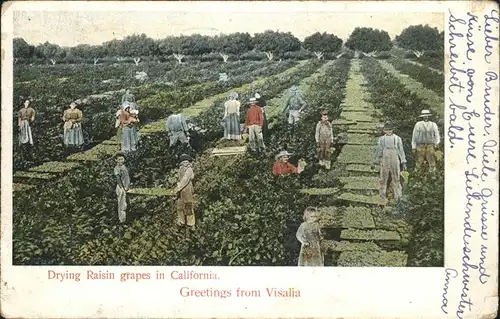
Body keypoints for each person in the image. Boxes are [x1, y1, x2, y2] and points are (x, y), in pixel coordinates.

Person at [371, 123, 407, 202]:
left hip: (394, 156)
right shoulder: (382, 139)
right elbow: (379, 150)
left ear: (392, 130)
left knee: (396, 177)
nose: (389, 131)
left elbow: (401, 150)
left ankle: (398, 196)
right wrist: (375, 160)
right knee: (383, 177)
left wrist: (403, 161)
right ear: (384, 131)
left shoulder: (397, 138)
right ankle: (382, 195)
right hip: (385, 156)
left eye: (390, 130)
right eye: (387, 130)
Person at [175, 154, 195, 227]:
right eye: (183, 161)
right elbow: (179, 179)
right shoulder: (180, 169)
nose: (185, 163)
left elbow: (185, 179)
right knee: (179, 206)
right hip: (181, 191)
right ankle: (181, 221)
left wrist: (178, 187)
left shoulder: (189, 169)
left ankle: (191, 223)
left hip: (187, 190)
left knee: (188, 206)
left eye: (186, 162)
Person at [114, 154, 130, 223]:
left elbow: (126, 178)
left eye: (122, 159)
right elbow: (118, 179)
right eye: (119, 159)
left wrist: (127, 186)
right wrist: (122, 188)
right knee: (121, 203)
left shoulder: (124, 167)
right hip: (121, 187)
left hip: (125, 187)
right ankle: (121, 220)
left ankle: (124, 219)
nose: (121, 161)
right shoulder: (117, 168)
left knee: (124, 204)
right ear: (116, 160)